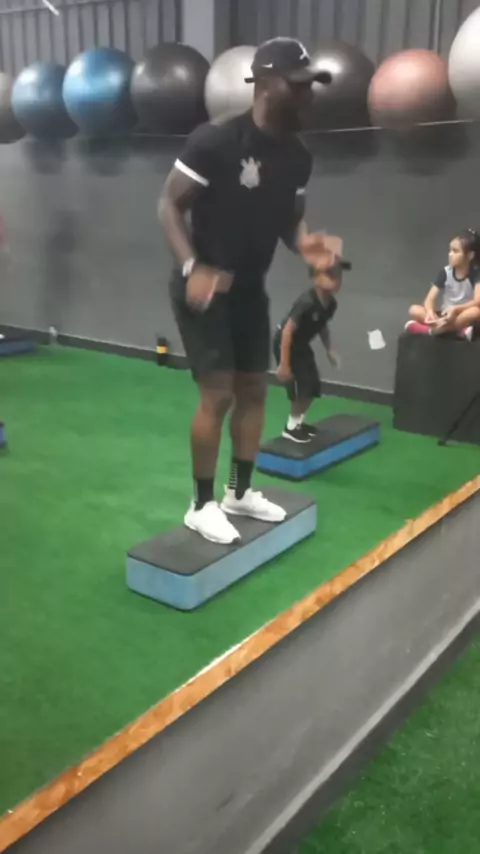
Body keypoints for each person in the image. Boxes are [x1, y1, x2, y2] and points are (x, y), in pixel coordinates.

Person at [158, 36, 342, 546]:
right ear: (263, 84)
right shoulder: (216, 141)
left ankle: (239, 493)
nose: (307, 94)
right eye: (297, 84)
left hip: (248, 289)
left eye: (310, 85)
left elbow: (290, 222)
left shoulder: (298, 158)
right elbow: (169, 205)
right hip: (203, 287)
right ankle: (201, 504)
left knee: (255, 391)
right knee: (217, 395)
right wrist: (193, 266)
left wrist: (311, 248)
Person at [274, 260, 342, 443]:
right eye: (330, 275)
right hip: (285, 343)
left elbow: (322, 326)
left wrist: (329, 349)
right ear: (315, 278)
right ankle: (290, 428)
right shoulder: (306, 301)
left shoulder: (331, 304)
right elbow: (287, 332)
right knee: (302, 388)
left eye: (338, 275)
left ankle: (298, 423)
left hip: (301, 345)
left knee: (312, 386)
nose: (336, 279)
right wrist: (284, 364)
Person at [406, 229, 480, 341]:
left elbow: (477, 301)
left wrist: (456, 309)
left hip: (460, 314)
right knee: (414, 309)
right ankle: (454, 330)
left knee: (475, 312)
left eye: (455, 251)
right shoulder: (445, 273)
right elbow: (429, 299)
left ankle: (429, 330)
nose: (450, 254)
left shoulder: (476, 274)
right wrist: (430, 313)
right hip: (445, 315)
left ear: (470, 255)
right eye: (450, 250)